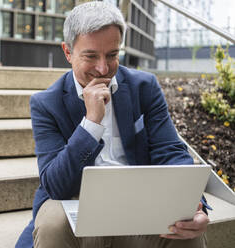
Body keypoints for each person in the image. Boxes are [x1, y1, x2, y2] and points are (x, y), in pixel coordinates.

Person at [16, 1, 210, 247]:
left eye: (112, 55)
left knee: (186, 230)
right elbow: (55, 184)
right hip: (75, 200)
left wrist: (194, 203)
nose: (103, 68)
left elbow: (171, 151)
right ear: (67, 52)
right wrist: (91, 123)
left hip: (138, 201)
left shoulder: (145, 87)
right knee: (52, 224)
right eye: (90, 56)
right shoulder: (46, 103)